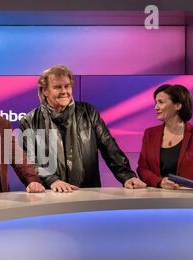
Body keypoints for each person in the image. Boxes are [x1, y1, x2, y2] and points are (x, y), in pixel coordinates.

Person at [19, 64, 146, 192]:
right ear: (45, 91)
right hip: (50, 194)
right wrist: (52, 180)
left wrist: (127, 176)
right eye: (57, 87)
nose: (64, 91)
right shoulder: (29, 121)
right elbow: (28, 161)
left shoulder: (88, 112)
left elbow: (109, 147)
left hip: (87, 194)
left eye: (67, 86)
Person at [137, 84, 193, 192]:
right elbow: (142, 169)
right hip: (155, 198)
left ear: (178, 106)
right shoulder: (150, 134)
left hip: (186, 200)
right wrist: (160, 182)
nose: (156, 107)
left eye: (161, 102)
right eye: (156, 103)